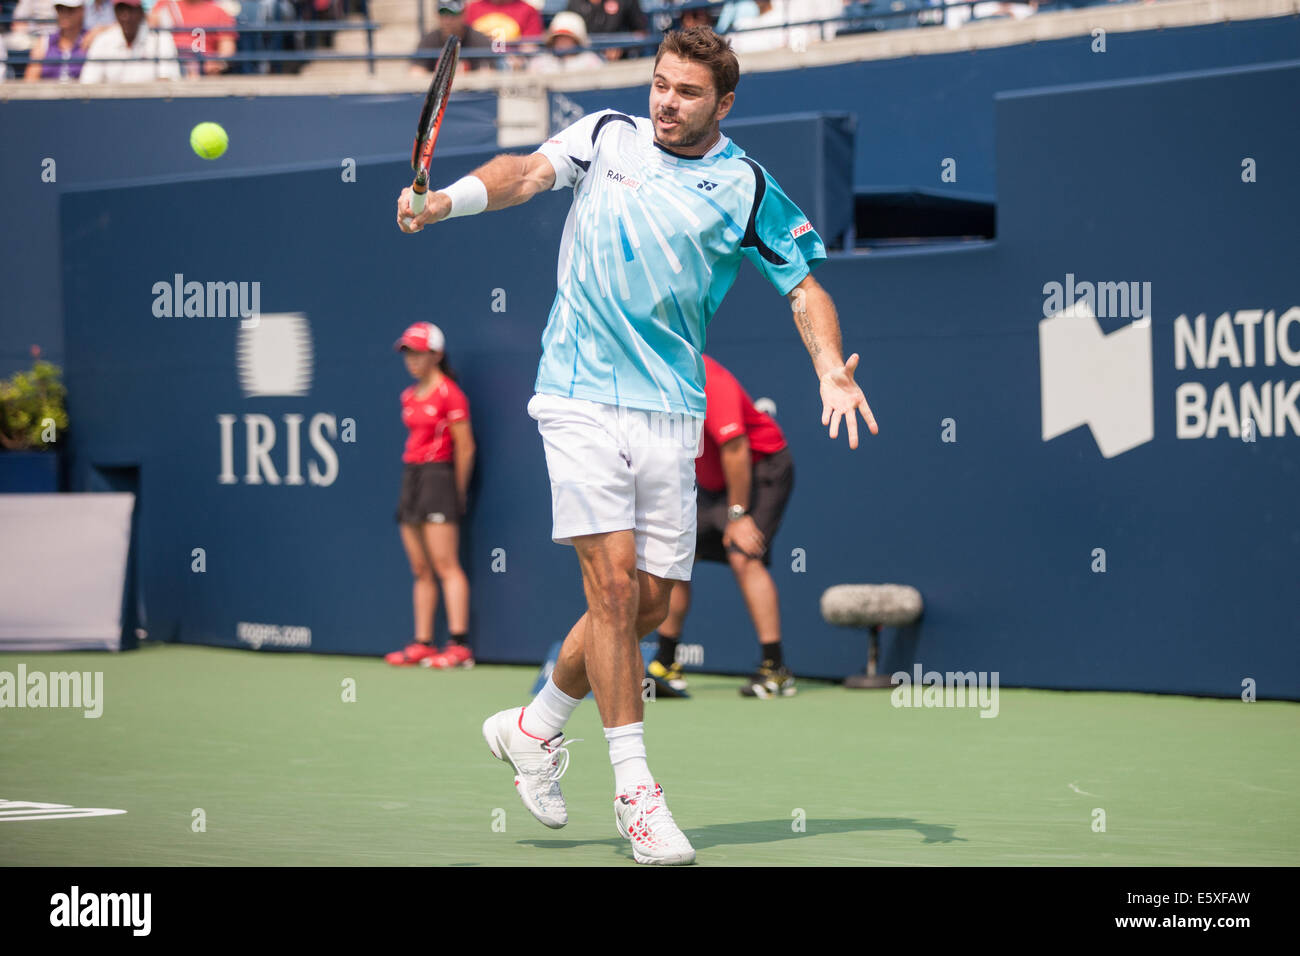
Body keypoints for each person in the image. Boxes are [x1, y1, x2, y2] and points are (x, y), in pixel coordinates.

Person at [396, 25, 877, 867]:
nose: (666, 101)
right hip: (579, 397)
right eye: (661, 83)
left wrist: (831, 367)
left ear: (723, 103)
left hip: (670, 413)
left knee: (646, 607)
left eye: (687, 92)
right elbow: (524, 174)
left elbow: (803, 285)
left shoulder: (746, 186)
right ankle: (636, 793)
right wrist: (445, 202)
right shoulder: (607, 133)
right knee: (613, 587)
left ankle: (533, 726)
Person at [649, 354, 797, 698]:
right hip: (708, 481)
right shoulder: (652, 381)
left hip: (760, 470)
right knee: (676, 561)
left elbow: (735, 448)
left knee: (743, 554)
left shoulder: (710, 381)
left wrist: (737, 514)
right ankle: (667, 663)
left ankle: (775, 671)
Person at [385, 322, 477, 670]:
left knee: (446, 565)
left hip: (439, 477)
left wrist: (457, 492)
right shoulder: (408, 396)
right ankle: (423, 642)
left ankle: (459, 645)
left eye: (418, 352)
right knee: (420, 567)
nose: (411, 359)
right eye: (407, 352)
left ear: (436, 354)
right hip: (411, 477)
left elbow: (465, 447)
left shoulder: (450, 394)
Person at [81, 0, 181, 83]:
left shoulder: (161, 39)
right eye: (120, 10)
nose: (125, 16)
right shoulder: (102, 41)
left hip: (150, 105)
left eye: (131, 10)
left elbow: (167, 83)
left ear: (141, 12)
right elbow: (88, 84)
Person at [148, 0, 236, 76]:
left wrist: (218, 63)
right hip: (170, 66)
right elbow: (147, 31)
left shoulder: (219, 12)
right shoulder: (166, 6)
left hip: (204, 71)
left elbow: (227, 50)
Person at [410, 0, 493, 75]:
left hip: (471, 90)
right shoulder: (428, 41)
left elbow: (486, 74)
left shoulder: (478, 40)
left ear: (463, 15)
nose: (447, 21)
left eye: (453, 14)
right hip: (439, 91)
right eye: (443, 14)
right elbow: (416, 73)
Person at [23, 0, 92, 81]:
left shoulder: (93, 40)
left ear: (82, 10)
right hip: (47, 92)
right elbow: (30, 79)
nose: (64, 14)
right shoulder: (44, 41)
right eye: (60, 9)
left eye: (70, 9)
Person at [566, 0, 646, 61]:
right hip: (582, 62)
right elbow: (566, 37)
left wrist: (622, 48)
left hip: (620, 63)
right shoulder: (574, 4)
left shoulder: (626, 2)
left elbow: (641, 33)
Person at [527, 10, 601, 74]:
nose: (562, 42)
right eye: (559, 37)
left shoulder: (590, 61)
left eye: (567, 38)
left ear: (576, 40)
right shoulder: (539, 62)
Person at [462, 0, 543, 44]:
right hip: (477, 62)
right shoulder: (471, 8)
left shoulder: (528, 10)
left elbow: (529, 46)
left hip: (512, 64)